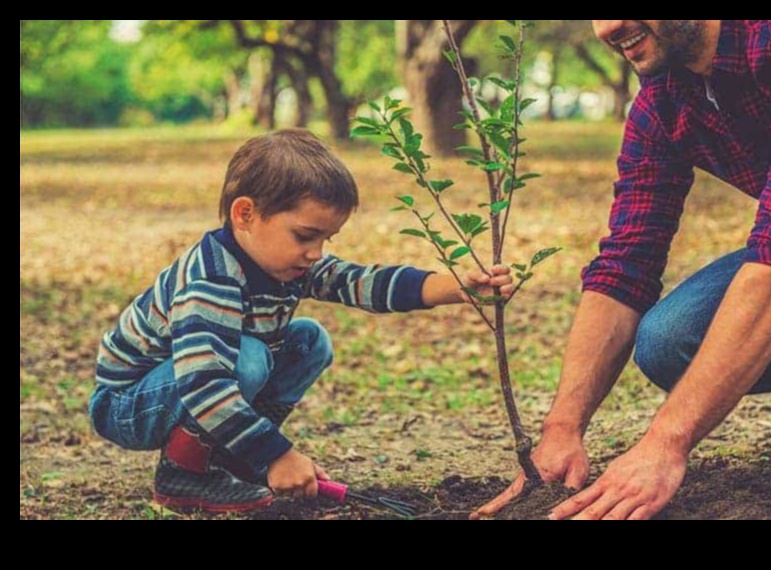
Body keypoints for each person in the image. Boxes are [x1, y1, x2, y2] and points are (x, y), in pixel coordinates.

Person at [474, 20, 771, 520]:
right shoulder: (669, 96)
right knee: (673, 339)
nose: (606, 28)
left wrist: (664, 445)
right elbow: (626, 263)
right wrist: (562, 429)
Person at [88, 129, 514, 512]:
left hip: (188, 388)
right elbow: (204, 385)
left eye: (325, 240)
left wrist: (457, 288)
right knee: (249, 358)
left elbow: (361, 282)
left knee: (308, 340)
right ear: (245, 215)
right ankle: (184, 474)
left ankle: (233, 458)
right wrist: (276, 454)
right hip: (128, 403)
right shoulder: (212, 280)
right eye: (304, 236)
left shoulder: (286, 262)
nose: (316, 252)